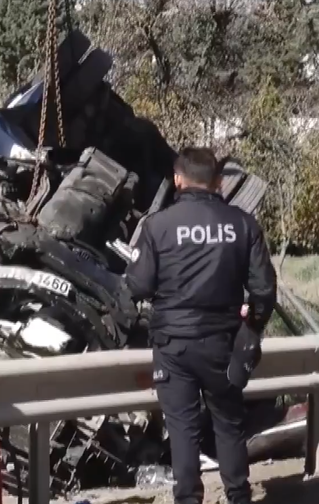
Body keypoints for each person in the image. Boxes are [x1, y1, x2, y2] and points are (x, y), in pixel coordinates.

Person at [124, 147, 277, 504]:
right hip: (223, 344)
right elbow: (264, 291)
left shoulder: (159, 225)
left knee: (183, 429)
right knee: (229, 425)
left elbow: (139, 286)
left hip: (173, 345)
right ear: (218, 182)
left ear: (178, 179)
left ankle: (189, 500)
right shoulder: (242, 224)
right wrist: (250, 331)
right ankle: (239, 495)